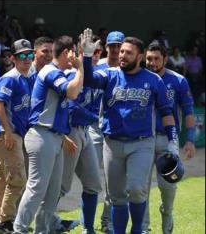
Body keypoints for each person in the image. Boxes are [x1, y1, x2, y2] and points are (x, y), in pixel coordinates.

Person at [84, 36, 178, 234]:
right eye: (121, 52)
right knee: (116, 196)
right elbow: (89, 79)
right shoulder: (110, 75)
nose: (122, 55)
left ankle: (136, 229)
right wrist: (86, 56)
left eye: (128, 52)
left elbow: (166, 112)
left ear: (140, 56)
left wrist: (172, 141)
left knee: (136, 188)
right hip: (112, 143)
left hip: (141, 143)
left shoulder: (154, 80)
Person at [13, 32, 91, 233]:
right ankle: (19, 229)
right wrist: (80, 66)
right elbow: (72, 92)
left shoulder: (59, 72)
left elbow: (79, 84)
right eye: (72, 53)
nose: (73, 57)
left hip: (54, 137)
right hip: (41, 135)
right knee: (37, 189)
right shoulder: (49, 71)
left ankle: (42, 231)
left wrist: (85, 59)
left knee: (52, 192)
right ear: (66, 52)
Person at [49, 30, 103, 234]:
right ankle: (46, 224)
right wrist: (93, 118)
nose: (95, 54)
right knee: (61, 186)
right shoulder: (72, 74)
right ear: (80, 52)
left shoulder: (98, 76)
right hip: (70, 131)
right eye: (90, 50)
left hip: (85, 132)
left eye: (98, 50)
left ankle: (88, 228)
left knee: (93, 184)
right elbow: (71, 106)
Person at [143, 42, 196, 234]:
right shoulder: (138, 78)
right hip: (142, 140)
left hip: (168, 140)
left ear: (165, 59)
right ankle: (144, 228)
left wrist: (189, 139)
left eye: (157, 58)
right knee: (141, 188)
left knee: (168, 188)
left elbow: (188, 111)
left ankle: (167, 214)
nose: (152, 62)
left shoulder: (179, 80)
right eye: (149, 58)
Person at [0, 39, 34, 233]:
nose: (27, 59)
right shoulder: (11, 77)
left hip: (10, 134)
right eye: (22, 55)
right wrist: (8, 133)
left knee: (2, 180)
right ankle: (5, 222)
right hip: (7, 134)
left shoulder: (28, 77)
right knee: (17, 180)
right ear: (13, 58)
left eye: (30, 55)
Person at [90, 30, 125, 234]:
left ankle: (106, 221)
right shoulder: (98, 64)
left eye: (118, 45)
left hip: (114, 131)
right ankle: (87, 222)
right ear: (106, 47)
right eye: (111, 45)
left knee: (113, 182)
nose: (114, 49)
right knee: (91, 179)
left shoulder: (128, 69)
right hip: (93, 127)